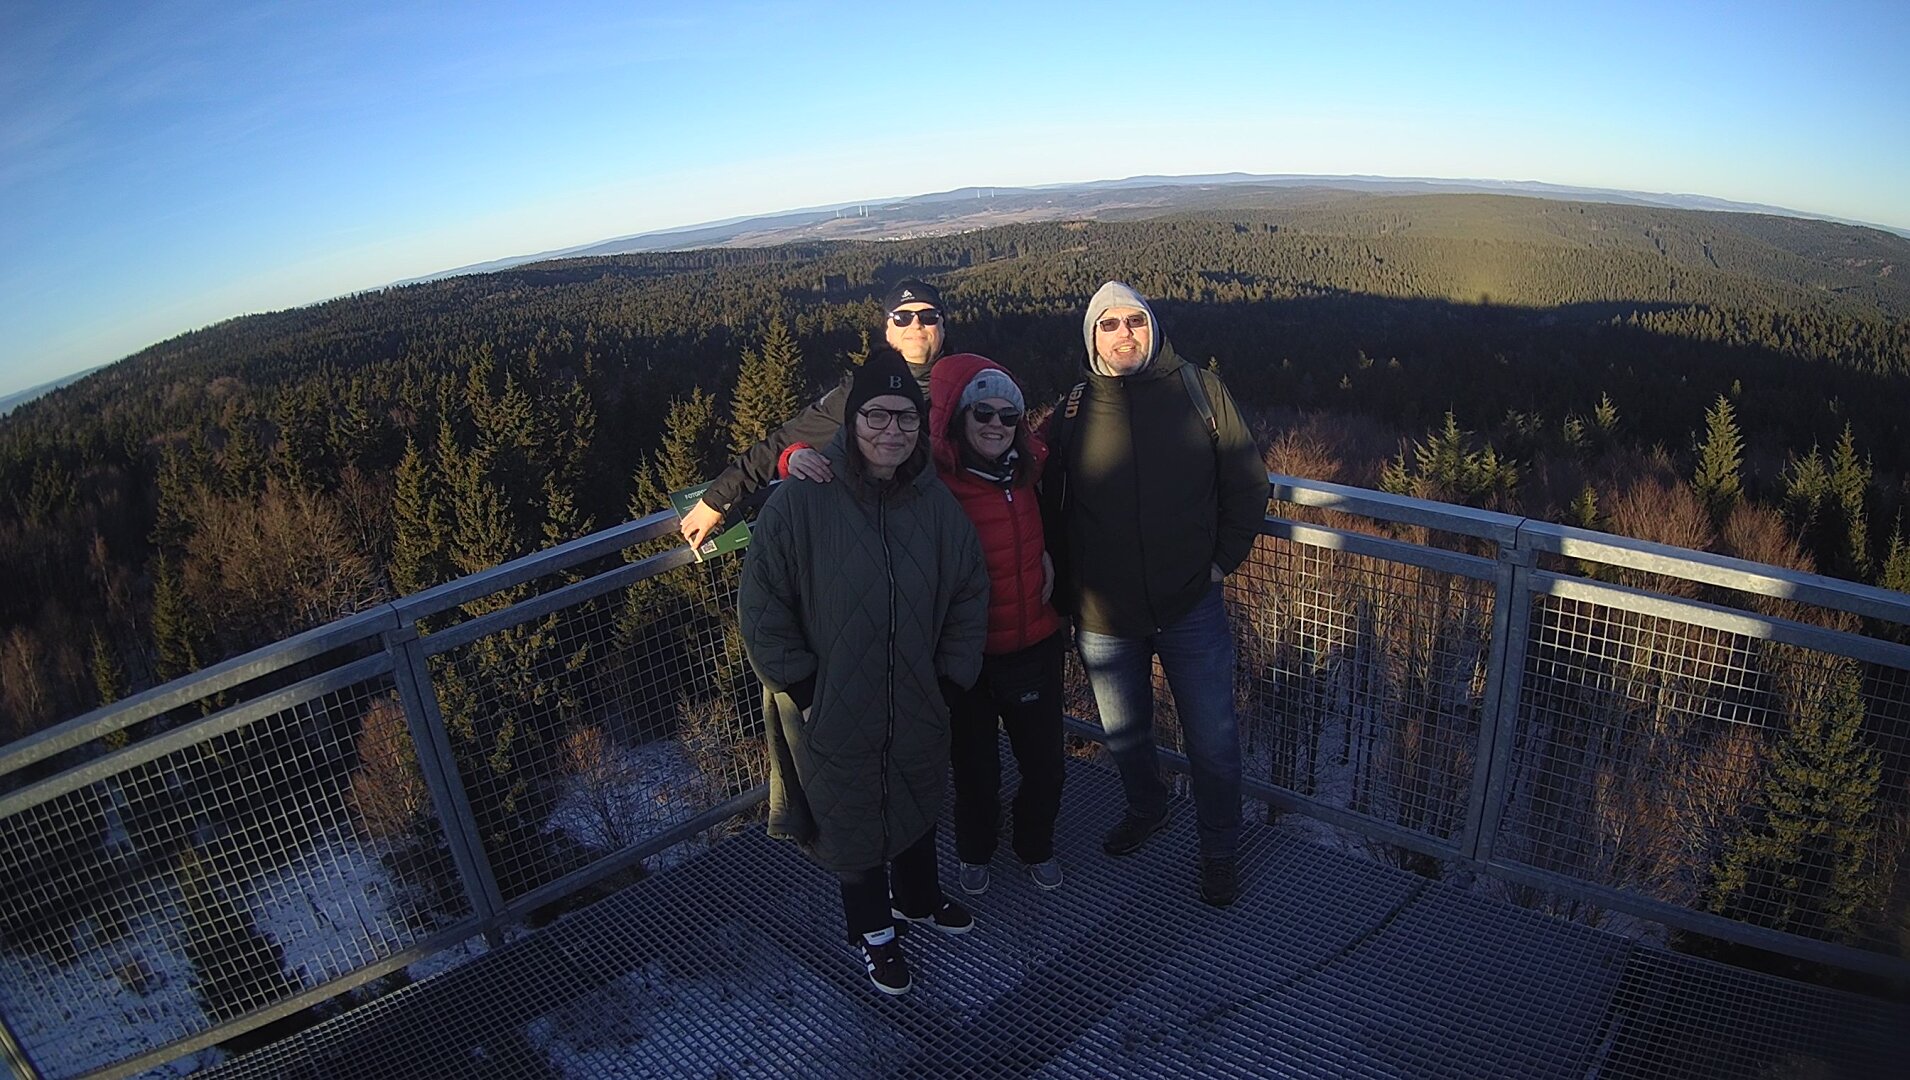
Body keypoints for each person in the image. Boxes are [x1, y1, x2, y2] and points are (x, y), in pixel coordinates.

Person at [738, 347, 990, 996]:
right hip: (832, 700)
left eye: (905, 418)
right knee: (850, 817)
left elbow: (969, 590)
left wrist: (950, 680)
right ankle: (875, 933)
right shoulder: (802, 501)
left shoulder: (934, 503)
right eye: (876, 415)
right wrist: (806, 690)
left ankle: (918, 898)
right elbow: (762, 606)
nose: (891, 430)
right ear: (851, 421)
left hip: (917, 693)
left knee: (916, 792)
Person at [1039, 281, 1266, 907]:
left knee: (1213, 741)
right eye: (1108, 324)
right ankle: (1148, 807)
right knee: (1125, 733)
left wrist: (1222, 562)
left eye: (1134, 321)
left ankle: (1219, 849)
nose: (1124, 334)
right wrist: (1067, 595)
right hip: (1104, 614)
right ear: (1092, 337)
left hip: (1190, 603)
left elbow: (1247, 480)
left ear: (1153, 327)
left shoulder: (1199, 389)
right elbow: (1052, 506)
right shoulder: (1073, 409)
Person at [926, 353, 1068, 895]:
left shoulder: (1029, 469)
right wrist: (795, 458)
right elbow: (859, 460)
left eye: (1008, 415)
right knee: (975, 769)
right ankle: (975, 850)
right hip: (969, 655)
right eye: (981, 412)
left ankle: (1035, 844)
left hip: (1033, 642)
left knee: (1045, 765)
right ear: (958, 417)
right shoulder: (935, 480)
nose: (995, 424)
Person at [679, 279, 948, 548]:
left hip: (950, 539)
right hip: (885, 541)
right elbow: (782, 442)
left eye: (928, 316)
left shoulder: (967, 386)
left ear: (943, 326)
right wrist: (716, 501)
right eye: (902, 317)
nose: (916, 324)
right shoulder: (859, 392)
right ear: (888, 331)